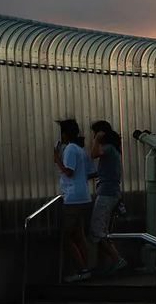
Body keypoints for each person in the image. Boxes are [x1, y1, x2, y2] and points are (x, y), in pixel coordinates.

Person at [54, 119, 92, 282]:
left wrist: (57, 159)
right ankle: (86, 268)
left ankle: (82, 269)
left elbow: (69, 171)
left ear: (65, 133)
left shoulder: (69, 149)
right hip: (84, 196)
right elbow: (92, 172)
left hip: (72, 198)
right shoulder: (81, 150)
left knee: (67, 237)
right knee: (79, 235)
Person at [89, 120, 127, 274]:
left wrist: (96, 140)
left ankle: (118, 260)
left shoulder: (108, 149)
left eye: (95, 133)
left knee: (97, 229)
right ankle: (104, 263)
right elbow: (104, 171)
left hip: (106, 194)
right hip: (109, 192)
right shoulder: (113, 150)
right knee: (102, 230)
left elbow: (93, 154)